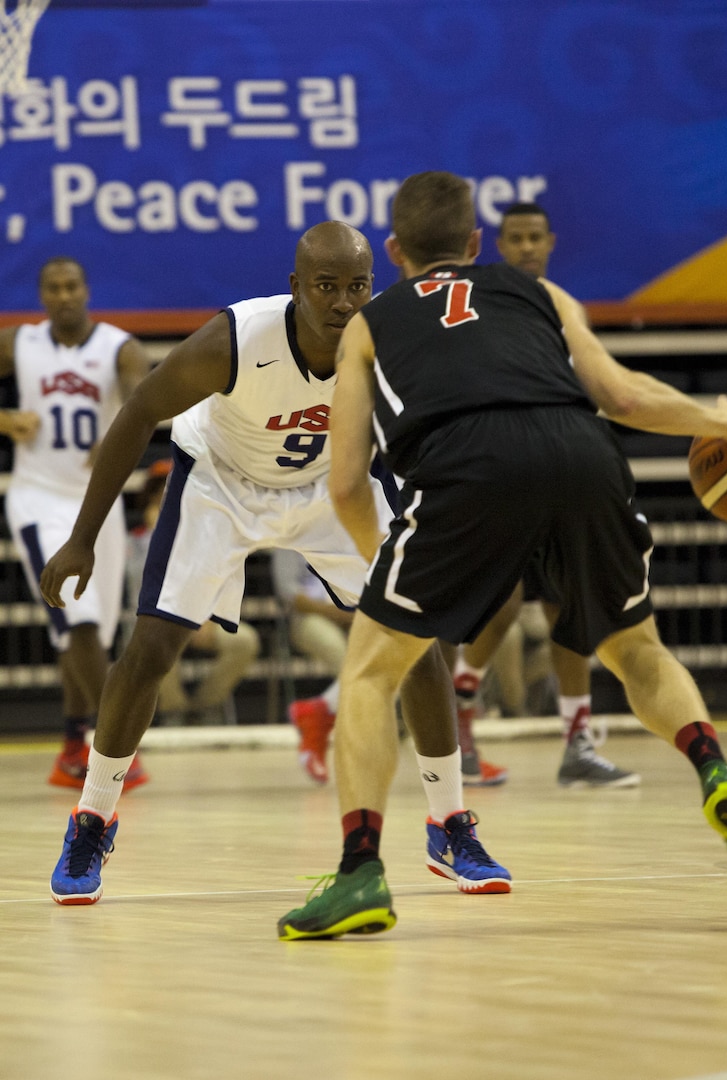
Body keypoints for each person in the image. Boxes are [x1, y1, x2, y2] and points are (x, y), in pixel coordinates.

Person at [278, 171, 727, 940]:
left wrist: (383, 565)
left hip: (464, 467)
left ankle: (360, 870)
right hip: (580, 453)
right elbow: (620, 396)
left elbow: (348, 480)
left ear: (392, 251)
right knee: (636, 650)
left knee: (368, 670)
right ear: (476, 244)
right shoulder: (541, 295)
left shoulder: (369, 324)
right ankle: (712, 765)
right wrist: (720, 419)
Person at [39, 221, 509, 907]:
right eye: (326, 286)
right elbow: (140, 410)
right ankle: (92, 817)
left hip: (329, 486)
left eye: (357, 286)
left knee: (415, 639)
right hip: (221, 483)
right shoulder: (238, 338)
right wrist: (82, 537)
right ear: (296, 287)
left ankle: (449, 824)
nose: (344, 301)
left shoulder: (386, 340)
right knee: (150, 647)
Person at [451, 202, 640, 790]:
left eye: (536, 237)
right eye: (517, 238)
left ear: (551, 242)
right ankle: (458, 719)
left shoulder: (564, 306)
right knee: (500, 604)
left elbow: (594, 385)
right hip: (501, 466)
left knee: (567, 607)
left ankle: (577, 742)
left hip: (559, 464)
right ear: (497, 245)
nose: (528, 247)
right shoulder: (478, 302)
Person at [0, 257, 150, 791]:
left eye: (71, 286)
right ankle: (118, 747)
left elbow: (143, 398)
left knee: (88, 634)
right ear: (42, 295)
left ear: (87, 290)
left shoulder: (119, 347)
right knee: (80, 623)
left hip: (96, 507)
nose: (63, 295)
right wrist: (4, 419)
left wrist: (117, 433)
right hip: (38, 497)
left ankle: (70, 749)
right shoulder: (19, 344)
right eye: (53, 288)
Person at [127, 458, 260, 722]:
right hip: (153, 620)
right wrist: (158, 533)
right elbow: (141, 581)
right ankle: (173, 710)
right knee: (156, 642)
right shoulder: (135, 539)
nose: (164, 498)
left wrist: (205, 617)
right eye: (158, 492)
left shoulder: (204, 532)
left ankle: (205, 705)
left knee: (245, 641)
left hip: (200, 618)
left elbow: (217, 576)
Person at [271, 547, 351, 781]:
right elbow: (289, 594)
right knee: (344, 656)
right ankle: (325, 719)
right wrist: (335, 612)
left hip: (356, 613)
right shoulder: (288, 532)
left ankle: (318, 714)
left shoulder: (351, 521)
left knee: (393, 658)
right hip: (310, 615)